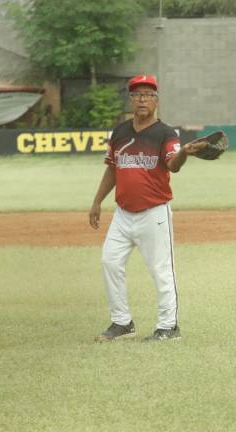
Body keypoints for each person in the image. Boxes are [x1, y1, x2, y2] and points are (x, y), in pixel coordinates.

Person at [89, 75, 206, 342]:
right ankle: (122, 323)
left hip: (154, 213)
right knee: (110, 262)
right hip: (122, 214)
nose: (142, 99)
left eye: (147, 94)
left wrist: (184, 153)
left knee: (161, 270)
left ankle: (169, 326)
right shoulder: (120, 132)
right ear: (130, 100)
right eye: (136, 95)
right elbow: (112, 168)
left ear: (156, 100)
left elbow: (173, 165)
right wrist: (97, 201)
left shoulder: (165, 133)